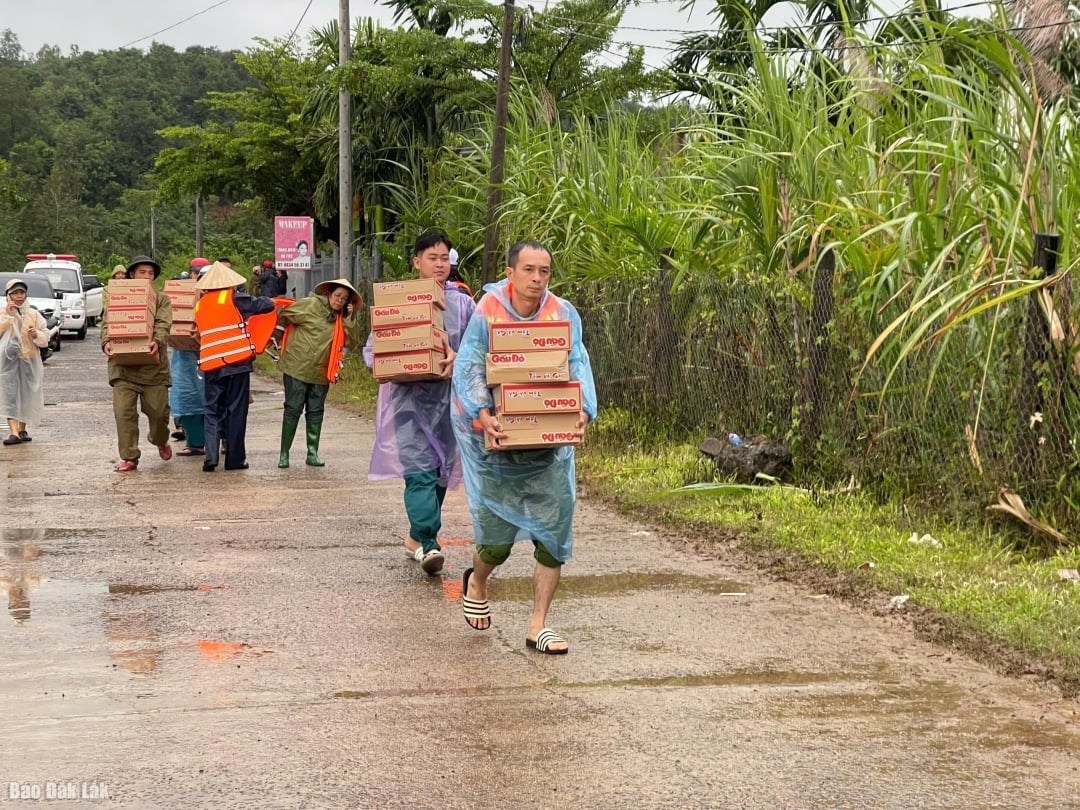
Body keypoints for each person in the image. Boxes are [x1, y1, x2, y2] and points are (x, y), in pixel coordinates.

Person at [451, 240, 597, 655]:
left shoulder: (562, 314)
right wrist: (484, 415)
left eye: (544, 271)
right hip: (494, 445)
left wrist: (583, 409)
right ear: (511, 273)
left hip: (548, 446)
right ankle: (477, 580)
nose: (537, 279)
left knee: (553, 536)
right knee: (495, 541)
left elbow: (577, 363)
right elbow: (470, 365)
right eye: (529, 270)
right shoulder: (489, 311)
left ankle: (539, 625)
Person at [364, 230, 477, 576]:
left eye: (444, 258)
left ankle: (416, 536)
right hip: (408, 404)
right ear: (417, 262)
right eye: (432, 257)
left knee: (441, 475)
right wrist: (382, 366)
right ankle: (429, 543)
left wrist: (459, 359)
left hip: (450, 405)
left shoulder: (465, 305)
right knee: (419, 475)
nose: (439, 264)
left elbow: (480, 349)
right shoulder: (400, 302)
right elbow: (373, 349)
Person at [194, 261, 277, 472]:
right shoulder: (234, 298)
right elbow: (265, 305)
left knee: (211, 411)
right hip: (236, 364)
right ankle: (234, 460)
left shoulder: (201, 303)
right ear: (230, 283)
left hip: (211, 364)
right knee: (236, 411)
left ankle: (210, 457)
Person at [274, 278, 364, 468]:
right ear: (329, 294)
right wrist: (278, 337)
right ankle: (284, 454)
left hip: (322, 372)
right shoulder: (310, 305)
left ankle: (312, 453)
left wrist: (348, 319)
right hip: (297, 367)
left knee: (316, 412)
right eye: (338, 295)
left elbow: (353, 341)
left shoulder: (341, 319)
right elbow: (285, 314)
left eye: (344, 298)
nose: (339, 300)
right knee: (293, 409)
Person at [102, 256, 174, 473]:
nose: (146, 276)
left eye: (150, 273)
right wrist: (106, 342)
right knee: (123, 412)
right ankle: (129, 457)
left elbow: (163, 323)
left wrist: (157, 340)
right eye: (142, 272)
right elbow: (107, 323)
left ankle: (160, 440)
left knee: (159, 414)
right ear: (132, 274)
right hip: (123, 369)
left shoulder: (162, 300)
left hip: (154, 369)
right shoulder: (117, 298)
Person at [1, 279, 49, 446]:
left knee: (28, 395)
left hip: (29, 360)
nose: (19, 296)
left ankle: (22, 428)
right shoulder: (2, 312)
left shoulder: (33, 314)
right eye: (15, 293)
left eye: (21, 292)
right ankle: (13, 432)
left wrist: (37, 335)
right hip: (8, 363)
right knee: (10, 395)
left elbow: (45, 336)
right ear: (9, 295)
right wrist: (9, 316)